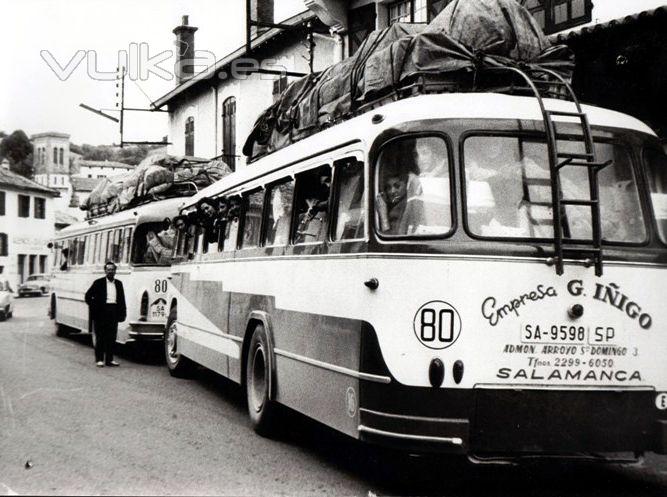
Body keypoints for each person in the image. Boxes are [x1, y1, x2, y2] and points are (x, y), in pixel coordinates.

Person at [84, 261, 127, 368]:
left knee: (111, 337)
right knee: (100, 337)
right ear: (105, 271)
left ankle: (109, 360)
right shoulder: (98, 283)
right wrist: (95, 308)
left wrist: (123, 313)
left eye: (112, 269)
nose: (110, 271)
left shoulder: (119, 283)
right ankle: (99, 359)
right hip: (101, 312)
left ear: (115, 271)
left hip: (114, 311)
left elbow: (122, 300)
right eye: (108, 270)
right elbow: (88, 296)